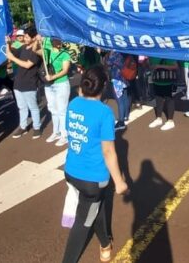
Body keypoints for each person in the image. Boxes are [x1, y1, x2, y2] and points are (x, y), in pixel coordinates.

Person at [61, 66, 129, 263]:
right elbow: (108, 151)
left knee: (94, 209)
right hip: (92, 179)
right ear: (104, 86)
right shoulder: (104, 112)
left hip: (71, 170)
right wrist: (119, 182)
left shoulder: (73, 104)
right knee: (82, 223)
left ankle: (106, 243)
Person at [6, 28, 44, 140]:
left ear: (33, 38)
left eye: (27, 37)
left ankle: (37, 127)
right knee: (21, 107)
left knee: (33, 107)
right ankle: (23, 126)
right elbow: (11, 54)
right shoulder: (23, 47)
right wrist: (7, 44)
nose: (25, 39)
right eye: (25, 36)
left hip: (30, 83)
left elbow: (28, 65)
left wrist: (13, 58)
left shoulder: (36, 51)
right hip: (18, 83)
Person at [40, 37, 72, 145]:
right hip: (49, 86)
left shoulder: (65, 54)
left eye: (58, 40)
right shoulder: (46, 52)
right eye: (54, 40)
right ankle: (56, 132)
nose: (56, 41)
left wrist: (53, 77)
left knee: (62, 110)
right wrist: (38, 40)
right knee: (53, 109)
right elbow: (35, 49)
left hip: (61, 84)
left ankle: (64, 135)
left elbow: (65, 70)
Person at [148, 57, 178, 131]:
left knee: (169, 99)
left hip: (167, 81)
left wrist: (159, 66)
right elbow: (149, 65)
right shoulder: (152, 54)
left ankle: (170, 121)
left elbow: (175, 66)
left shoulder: (166, 53)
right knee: (158, 99)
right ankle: (159, 118)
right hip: (156, 80)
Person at [106, 50, 130, 132]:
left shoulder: (115, 53)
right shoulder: (124, 51)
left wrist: (110, 53)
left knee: (119, 100)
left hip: (117, 78)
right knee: (125, 97)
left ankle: (121, 121)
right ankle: (125, 115)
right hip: (125, 77)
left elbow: (108, 62)